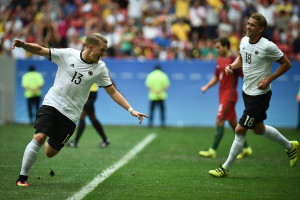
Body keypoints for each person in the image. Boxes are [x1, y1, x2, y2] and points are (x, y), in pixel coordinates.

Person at [13, 33, 148, 187]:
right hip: (52, 104)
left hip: (71, 115)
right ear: (90, 47)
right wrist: (24, 45)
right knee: (39, 137)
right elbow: (42, 50)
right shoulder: (68, 54)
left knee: (50, 153)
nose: (104, 53)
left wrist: (131, 110)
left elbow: (113, 92)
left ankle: (50, 134)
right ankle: (22, 177)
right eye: (102, 49)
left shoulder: (100, 68)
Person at [209, 13, 299, 178]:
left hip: (260, 95)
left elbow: (287, 64)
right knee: (259, 129)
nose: (248, 27)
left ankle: (225, 168)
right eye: (248, 23)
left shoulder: (268, 46)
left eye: (252, 25)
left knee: (240, 128)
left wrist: (269, 79)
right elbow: (241, 58)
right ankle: (290, 146)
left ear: (261, 29)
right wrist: (232, 66)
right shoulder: (243, 41)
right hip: (247, 92)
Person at [199, 37, 252, 159]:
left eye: (218, 47)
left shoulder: (234, 60)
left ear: (226, 46)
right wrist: (207, 86)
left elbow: (244, 75)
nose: (216, 50)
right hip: (222, 96)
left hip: (229, 96)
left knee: (219, 120)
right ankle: (246, 148)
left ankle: (212, 150)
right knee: (234, 123)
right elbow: (217, 77)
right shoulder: (219, 60)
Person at [67, 82, 112, 148]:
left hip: (91, 93)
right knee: (93, 118)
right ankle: (105, 140)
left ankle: (75, 142)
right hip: (86, 92)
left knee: (82, 115)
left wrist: (115, 89)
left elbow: (108, 77)